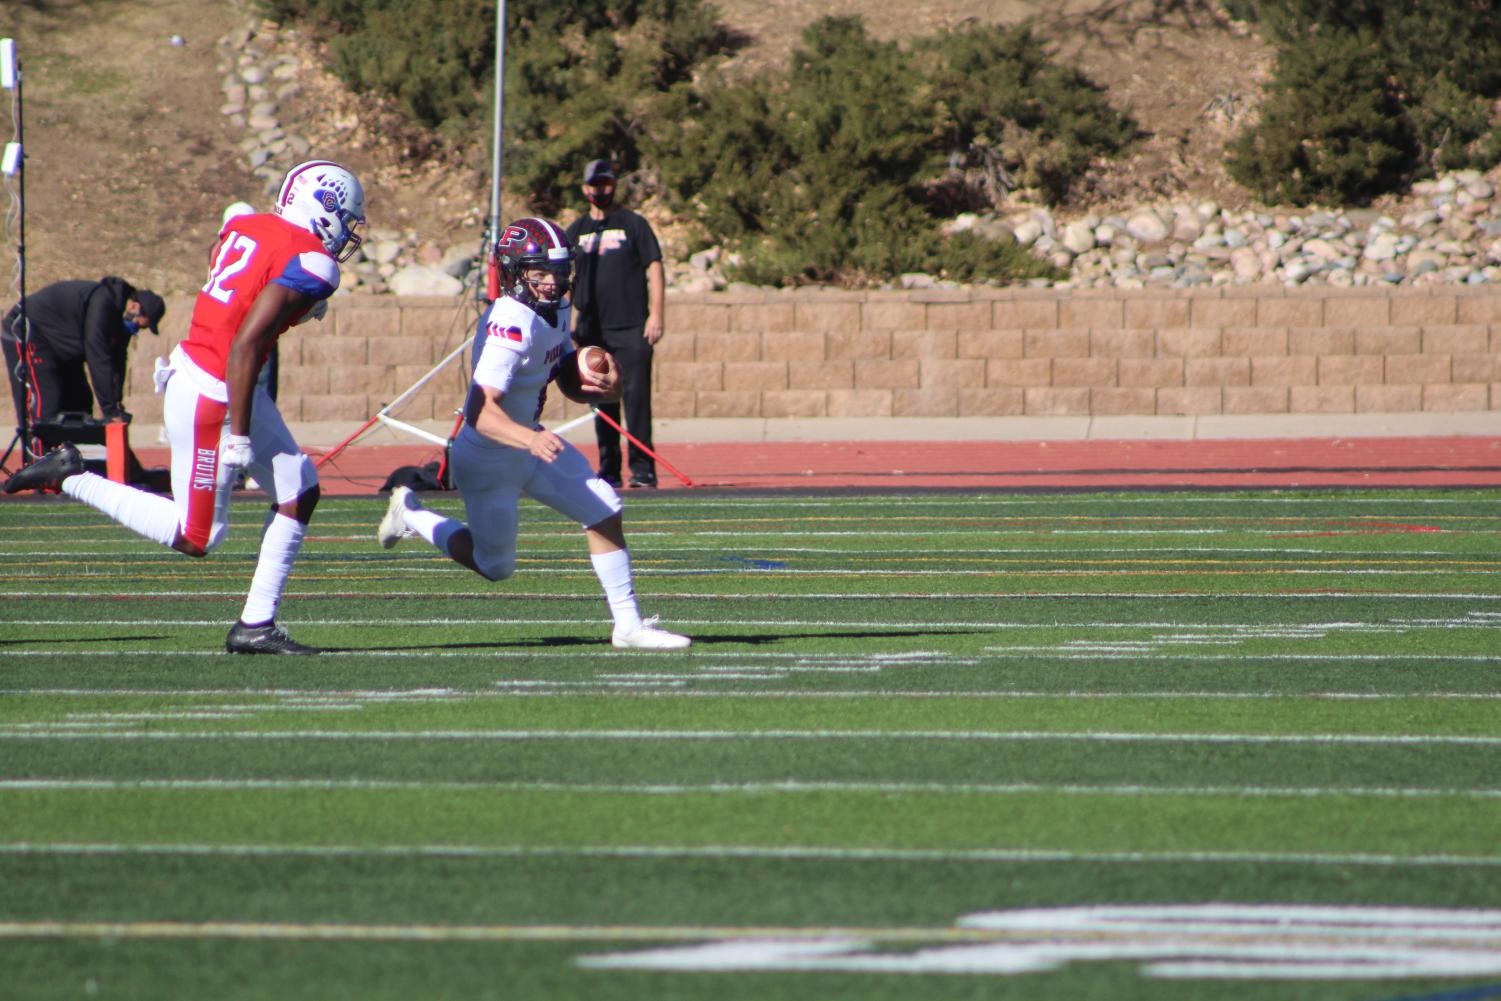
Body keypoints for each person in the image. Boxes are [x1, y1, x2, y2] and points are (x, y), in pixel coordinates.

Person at [3, 160, 367, 656]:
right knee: (197, 536)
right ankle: (69, 475)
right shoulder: (313, 261)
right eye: (346, 217)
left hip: (210, 375)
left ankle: (256, 624)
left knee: (298, 489)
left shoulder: (247, 225)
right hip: (215, 394)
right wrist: (238, 435)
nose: (347, 231)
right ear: (324, 208)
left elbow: (234, 284)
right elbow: (245, 344)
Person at [376, 216, 690, 650]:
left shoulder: (556, 307)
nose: (551, 282)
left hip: (531, 441)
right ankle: (410, 513)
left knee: (603, 508)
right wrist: (530, 439)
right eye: (539, 272)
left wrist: (601, 387)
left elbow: (556, 367)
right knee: (495, 566)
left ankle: (629, 626)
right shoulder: (511, 321)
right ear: (514, 271)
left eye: (559, 272)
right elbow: (478, 412)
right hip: (489, 455)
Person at [565, 159, 665, 489]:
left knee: (636, 399)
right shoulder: (576, 231)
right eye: (595, 185)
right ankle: (609, 468)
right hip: (593, 331)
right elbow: (562, 280)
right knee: (601, 400)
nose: (600, 190)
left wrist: (657, 314)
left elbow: (654, 267)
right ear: (585, 189)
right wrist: (567, 322)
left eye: (606, 184)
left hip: (631, 326)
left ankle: (642, 469)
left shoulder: (632, 224)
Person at [3, 277, 165, 437]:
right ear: (134, 306)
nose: (135, 330)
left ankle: (68, 456)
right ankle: (38, 456)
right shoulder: (103, 302)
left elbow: (117, 361)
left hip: (59, 344)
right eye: (138, 325)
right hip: (28, 330)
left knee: (80, 401)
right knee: (49, 401)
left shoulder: (121, 321)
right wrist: (109, 411)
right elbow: (98, 355)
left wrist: (115, 401)